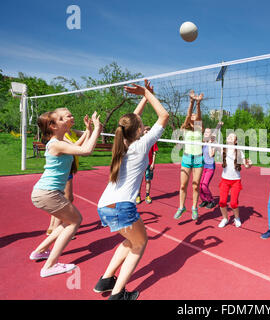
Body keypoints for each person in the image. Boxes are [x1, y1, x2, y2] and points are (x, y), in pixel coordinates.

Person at [94, 80, 169, 300]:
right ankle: (118, 295)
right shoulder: (141, 144)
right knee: (140, 243)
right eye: (142, 125)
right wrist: (146, 92)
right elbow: (163, 116)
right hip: (122, 206)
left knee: (130, 241)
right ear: (138, 130)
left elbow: (128, 122)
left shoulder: (122, 143)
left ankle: (106, 280)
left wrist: (145, 97)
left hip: (104, 205)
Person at [29, 110, 102, 278]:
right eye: (62, 118)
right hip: (47, 193)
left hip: (45, 192)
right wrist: (97, 128)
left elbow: (78, 148)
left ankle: (40, 251)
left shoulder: (61, 141)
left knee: (68, 221)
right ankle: (50, 265)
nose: (67, 119)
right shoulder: (56, 143)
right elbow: (87, 151)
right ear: (53, 126)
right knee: (75, 221)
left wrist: (89, 130)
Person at [46, 108, 92, 236]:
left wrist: (90, 128)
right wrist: (89, 131)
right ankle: (57, 229)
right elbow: (77, 146)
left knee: (63, 199)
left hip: (68, 169)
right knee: (65, 200)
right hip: (64, 172)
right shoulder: (62, 136)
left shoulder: (71, 131)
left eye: (72, 115)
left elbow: (84, 134)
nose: (72, 117)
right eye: (68, 116)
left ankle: (53, 227)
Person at [174, 90, 204, 221]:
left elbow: (199, 116)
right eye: (191, 114)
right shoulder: (185, 126)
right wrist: (191, 102)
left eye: (194, 115)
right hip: (186, 157)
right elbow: (187, 115)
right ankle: (181, 207)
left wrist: (198, 104)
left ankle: (194, 207)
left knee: (196, 185)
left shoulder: (199, 127)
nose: (192, 115)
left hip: (198, 157)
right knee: (182, 185)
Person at [217, 133, 252, 228]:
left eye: (232, 137)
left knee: (233, 203)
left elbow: (246, 166)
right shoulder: (222, 149)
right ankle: (225, 218)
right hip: (224, 180)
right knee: (222, 202)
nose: (229, 137)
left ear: (235, 141)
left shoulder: (239, 151)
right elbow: (212, 143)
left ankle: (237, 218)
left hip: (235, 181)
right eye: (228, 136)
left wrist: (249, 164)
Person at [199, 121, 223, 209]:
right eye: (205, 132)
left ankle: (211, 201)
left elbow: (211, 155)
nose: (206, 133)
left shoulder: (212, 143)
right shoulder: (202, 142)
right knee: (199, 185)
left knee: (204, 185)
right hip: (203, 167)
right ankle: (204, 200)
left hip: (210, 167)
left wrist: (218, 125)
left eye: (208, 132)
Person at [136, 126, 158, 204]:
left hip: (149, 164)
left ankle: (147, 195)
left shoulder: (153, 141)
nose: (146, 131)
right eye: (145, 130)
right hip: (141, 164)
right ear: (142, 131)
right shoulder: (139, 140)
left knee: (148, 180)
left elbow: (154, 153)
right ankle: (138, 195)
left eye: (148, 130)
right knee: (139, 180)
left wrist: (153, 163)